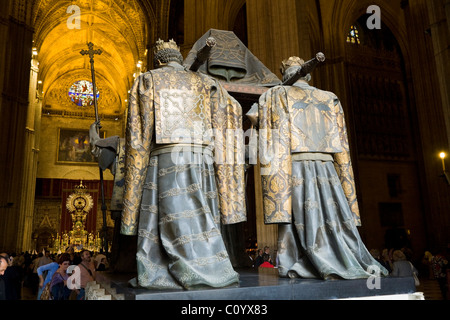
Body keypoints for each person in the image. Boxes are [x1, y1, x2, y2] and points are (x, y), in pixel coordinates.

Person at [90, 39, 246, 290]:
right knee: (202, 213)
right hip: (202, 161)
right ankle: (212, 266)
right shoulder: (209, 83)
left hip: (165, 158)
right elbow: (232, 111)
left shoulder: (148, 79)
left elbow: (138, 132)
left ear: (159, 60)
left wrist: (136, 166)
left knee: (168, 215)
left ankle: (163, 270)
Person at [248, 56, 389, 280]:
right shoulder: (329, 97)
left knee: (298, 215)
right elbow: (341, 141)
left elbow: (256, 118)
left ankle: (308, 259)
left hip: (296, 165)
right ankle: (341, 255)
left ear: (286, 74)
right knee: (331, 211)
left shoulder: (275, 95)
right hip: (327, 167)